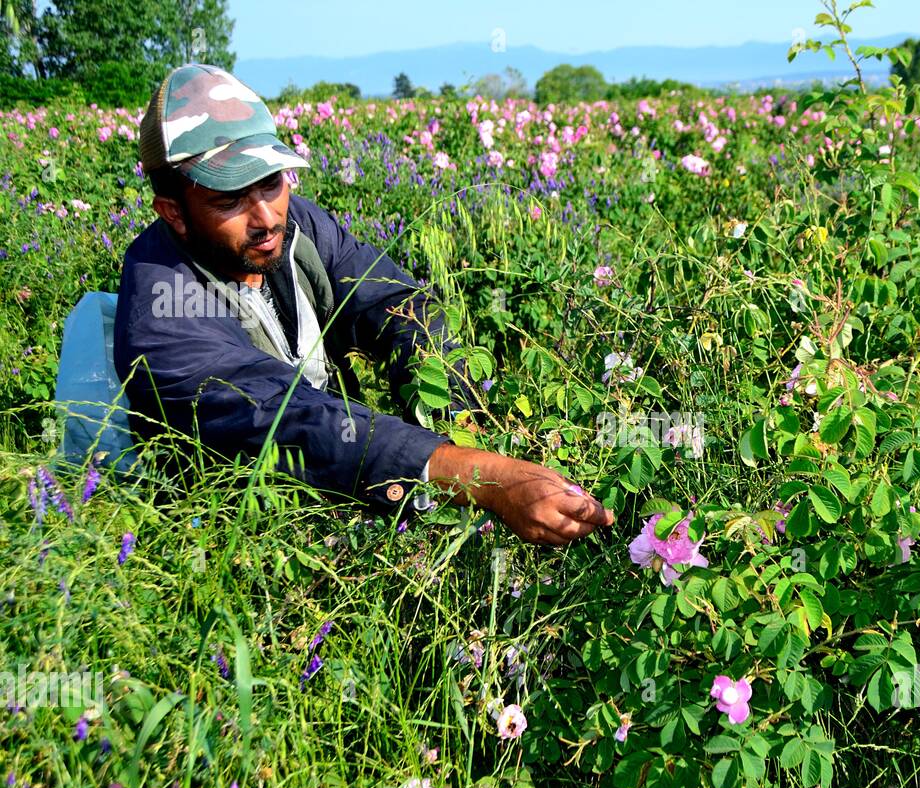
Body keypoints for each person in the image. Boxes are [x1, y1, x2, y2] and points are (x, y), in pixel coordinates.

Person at [115, 63, 612, 546]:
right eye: (230, 200)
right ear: (173, 213)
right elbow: (285, 417)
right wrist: (482, 477)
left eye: (271, 182)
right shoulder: (162, 307)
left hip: (342, 476)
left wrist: (456, 417)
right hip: (236, 534)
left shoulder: (298, 229)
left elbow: (397, 305)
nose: (266, 217)